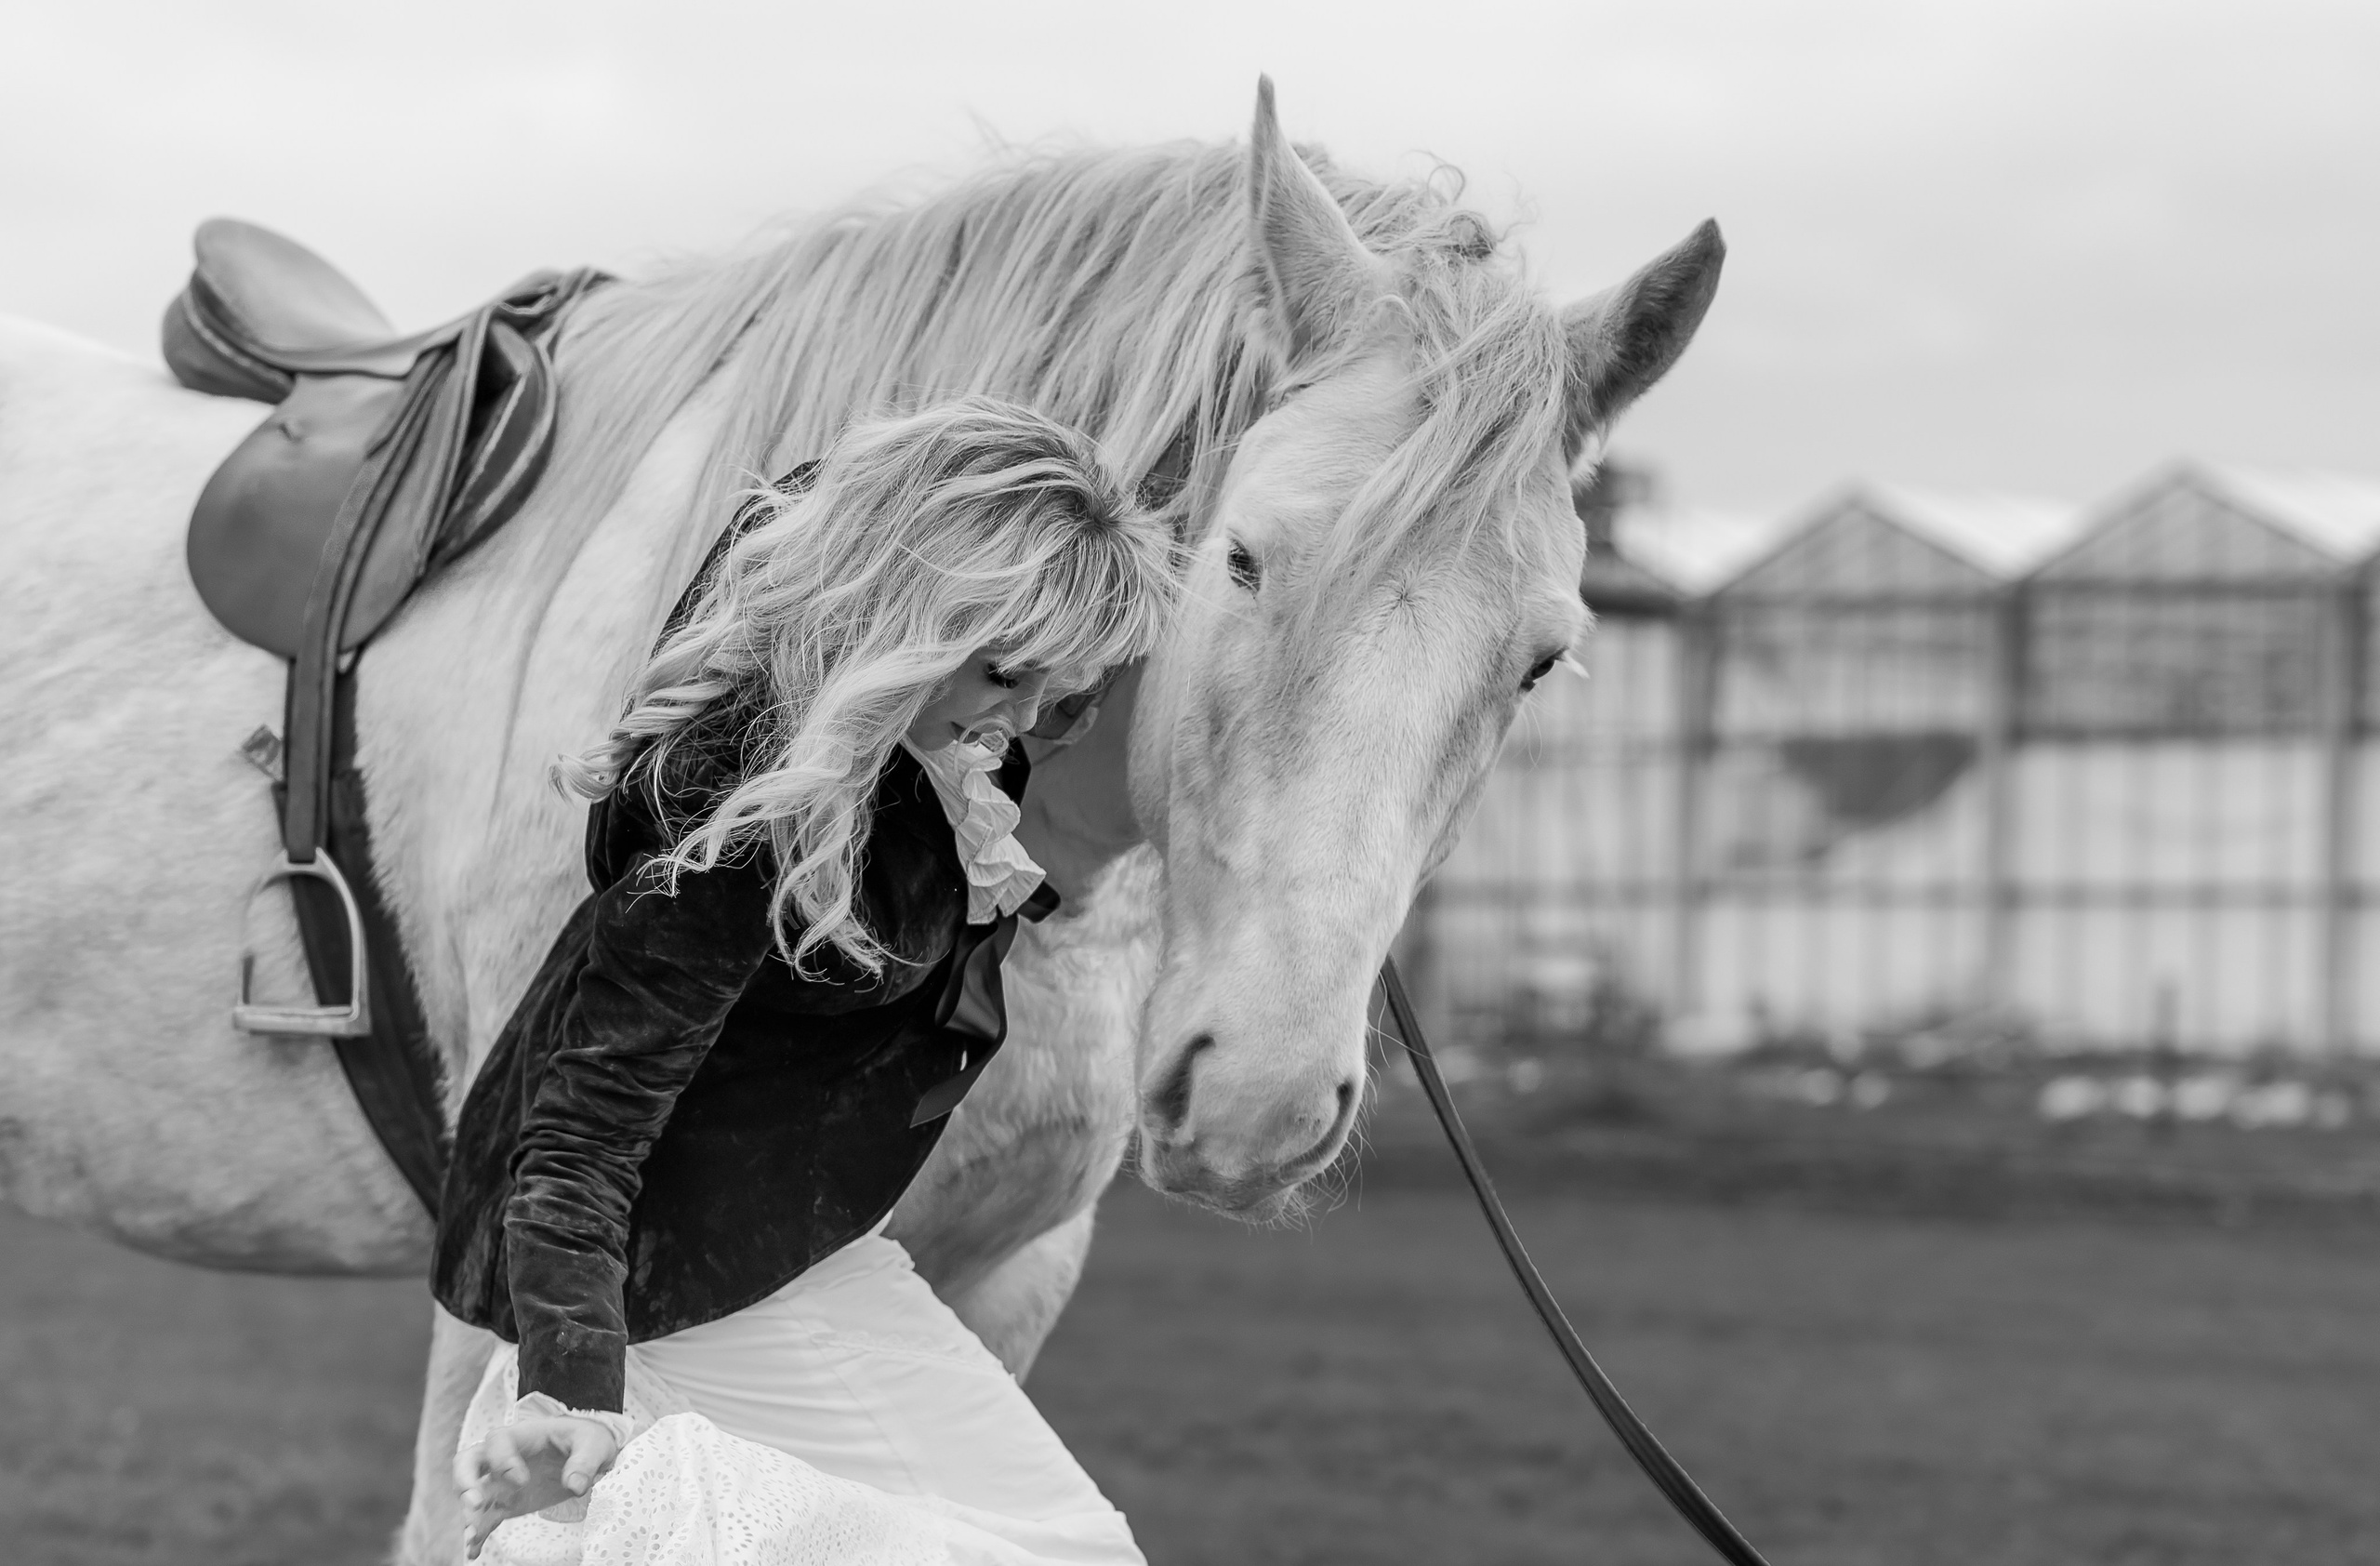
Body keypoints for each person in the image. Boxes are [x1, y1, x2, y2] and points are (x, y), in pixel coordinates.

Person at [430, 399, 1175, 1565]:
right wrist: (569, 1384)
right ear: (909, 625)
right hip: (671, 1282)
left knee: (1063, 1542)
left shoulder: (930, 743)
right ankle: (590, 1511)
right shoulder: (736, 819)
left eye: (1055, 691)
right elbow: (578, 1140)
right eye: (1005, 674)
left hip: (807, 1249)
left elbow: (888, 517)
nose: (1023, 720)